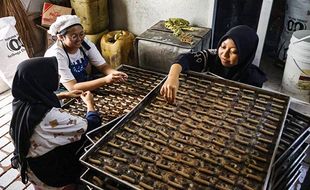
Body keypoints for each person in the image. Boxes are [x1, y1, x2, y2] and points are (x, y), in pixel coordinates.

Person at [10, 57, 101, 190]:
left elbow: (37, 98)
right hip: (48, 172)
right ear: (42, 80)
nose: (58, 76)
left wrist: (62, 95)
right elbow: (91, 125)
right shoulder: (48, 117)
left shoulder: (20, 100)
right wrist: (90, 104)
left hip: (29, 164)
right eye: (54, 73)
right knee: (85, 140)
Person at [160, 25, 267, 103]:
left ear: (245, 55)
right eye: (223, 47)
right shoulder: (212, 56)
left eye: (234, 52)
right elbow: (185, 58)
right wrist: (172, 77)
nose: (225, 55)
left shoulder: (252, 79)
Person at [45, 15, 128, 91]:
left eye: (81, 34)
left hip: (81, 82)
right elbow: (72, 87)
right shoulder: (57, 55)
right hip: (63, 90)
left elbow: (102, 66)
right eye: (74, 36)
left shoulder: (84, 43)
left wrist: (115, 74)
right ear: (61, 37)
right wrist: (105, 80)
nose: (79, 39)